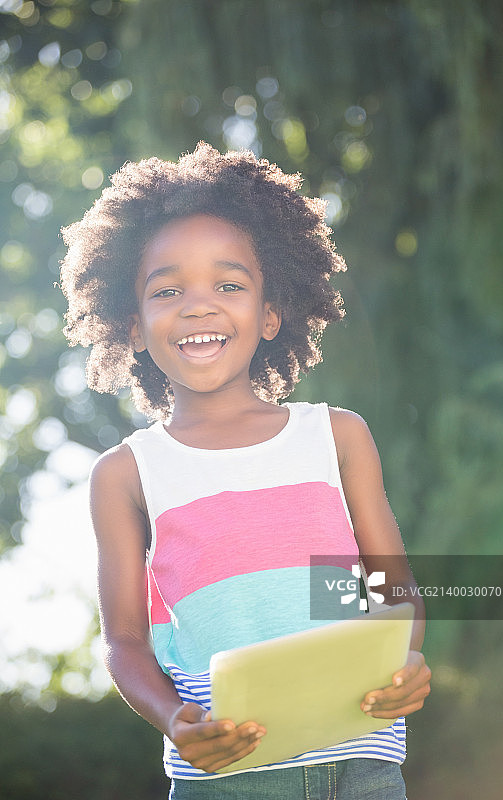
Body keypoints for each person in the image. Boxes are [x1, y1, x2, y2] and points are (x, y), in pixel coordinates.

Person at [60, 141, 431, 799]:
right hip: (229, 779)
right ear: (136, 327)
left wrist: (404, 658)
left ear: (267, 315)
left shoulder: (338, 437)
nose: (198, 305)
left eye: (227, 285)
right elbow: (124, 641)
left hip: (364, 765)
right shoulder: (125, 475)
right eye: (167, 289)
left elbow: (391, 589)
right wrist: (175, 719)